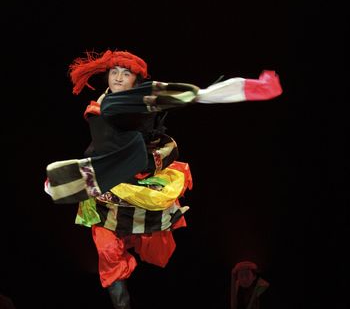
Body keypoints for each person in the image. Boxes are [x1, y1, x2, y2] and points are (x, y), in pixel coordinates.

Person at [44, 49, 283, 308]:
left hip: (142, 186)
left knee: (154, 246)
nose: (119, 78)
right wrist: (65, 181)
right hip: (108, 191)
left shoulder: (143, 98)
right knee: (108, 255)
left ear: (137, 81)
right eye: (114, 72)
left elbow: (196, 95)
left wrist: (247, 89)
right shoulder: (101, 106)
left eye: (126, 74)